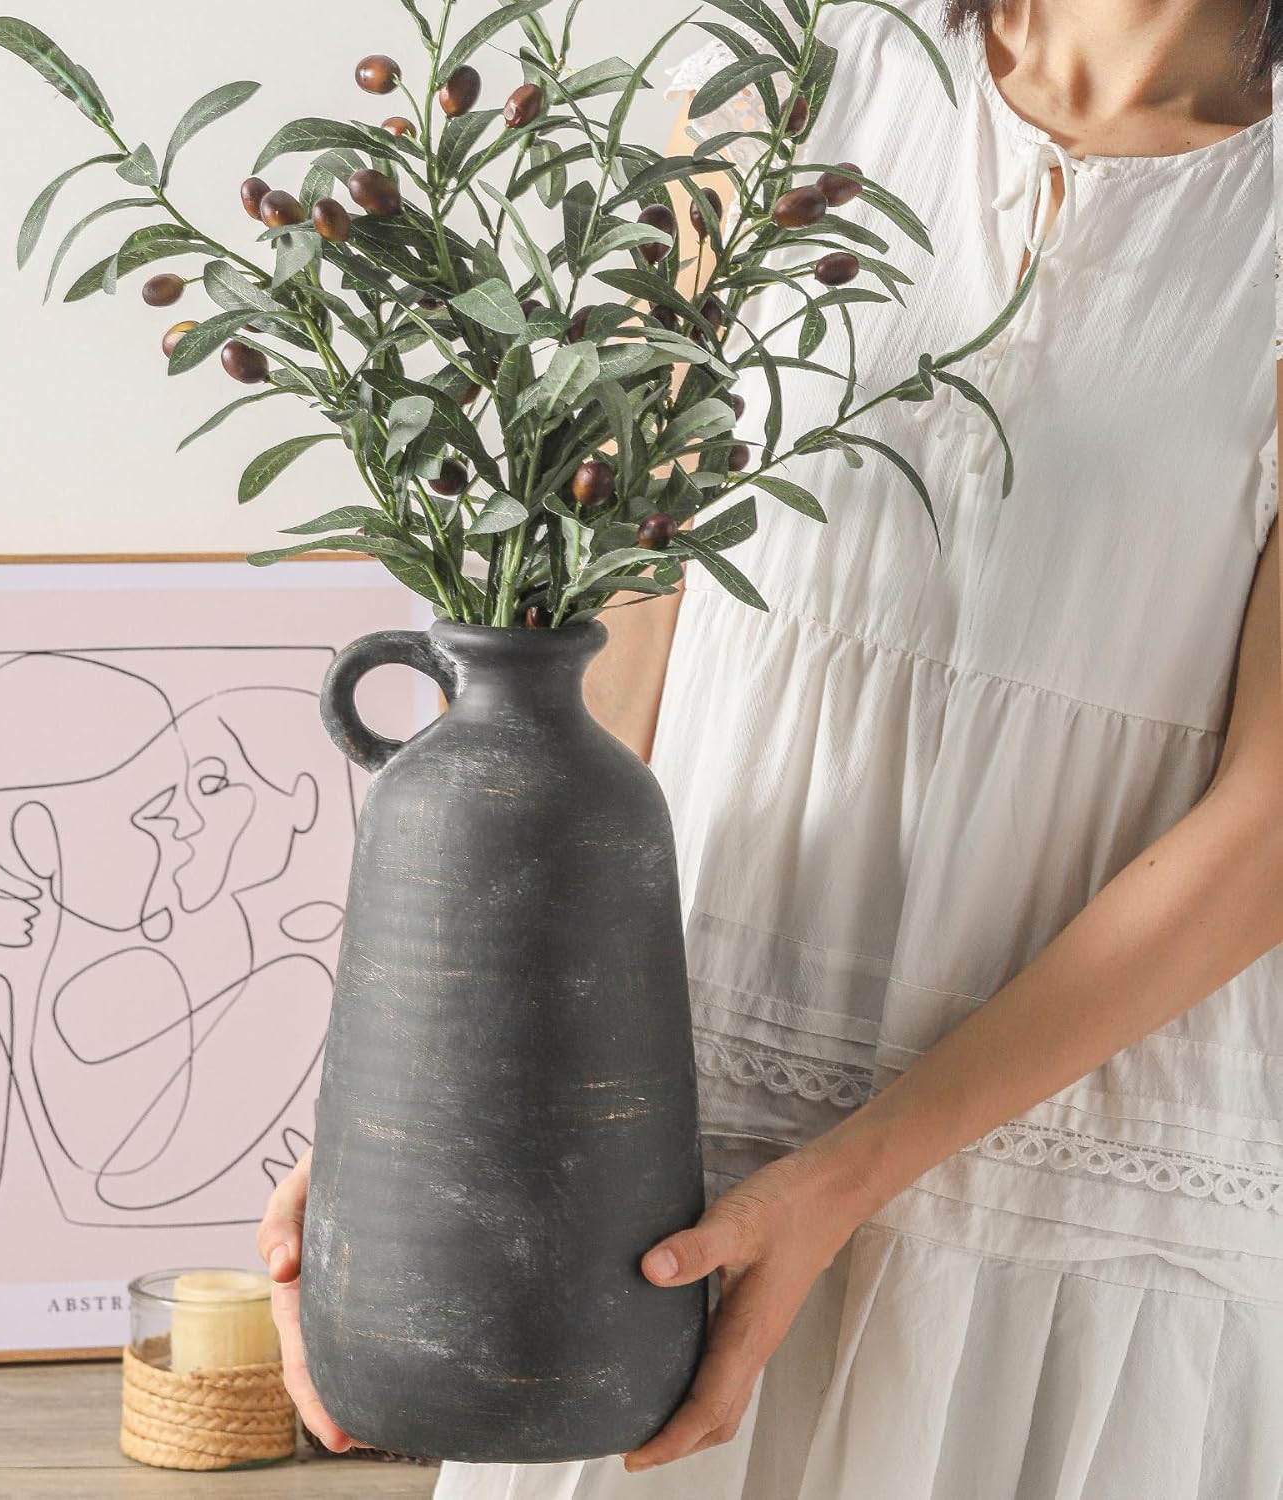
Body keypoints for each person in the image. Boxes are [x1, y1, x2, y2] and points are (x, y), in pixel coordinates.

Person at [258, 1, 1281, 1494]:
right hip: (662, 1127)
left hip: (1060, 1172)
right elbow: (602, 629)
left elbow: (1271, 825)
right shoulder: (786, 89)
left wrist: (848, 1177)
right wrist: (426, 1093)